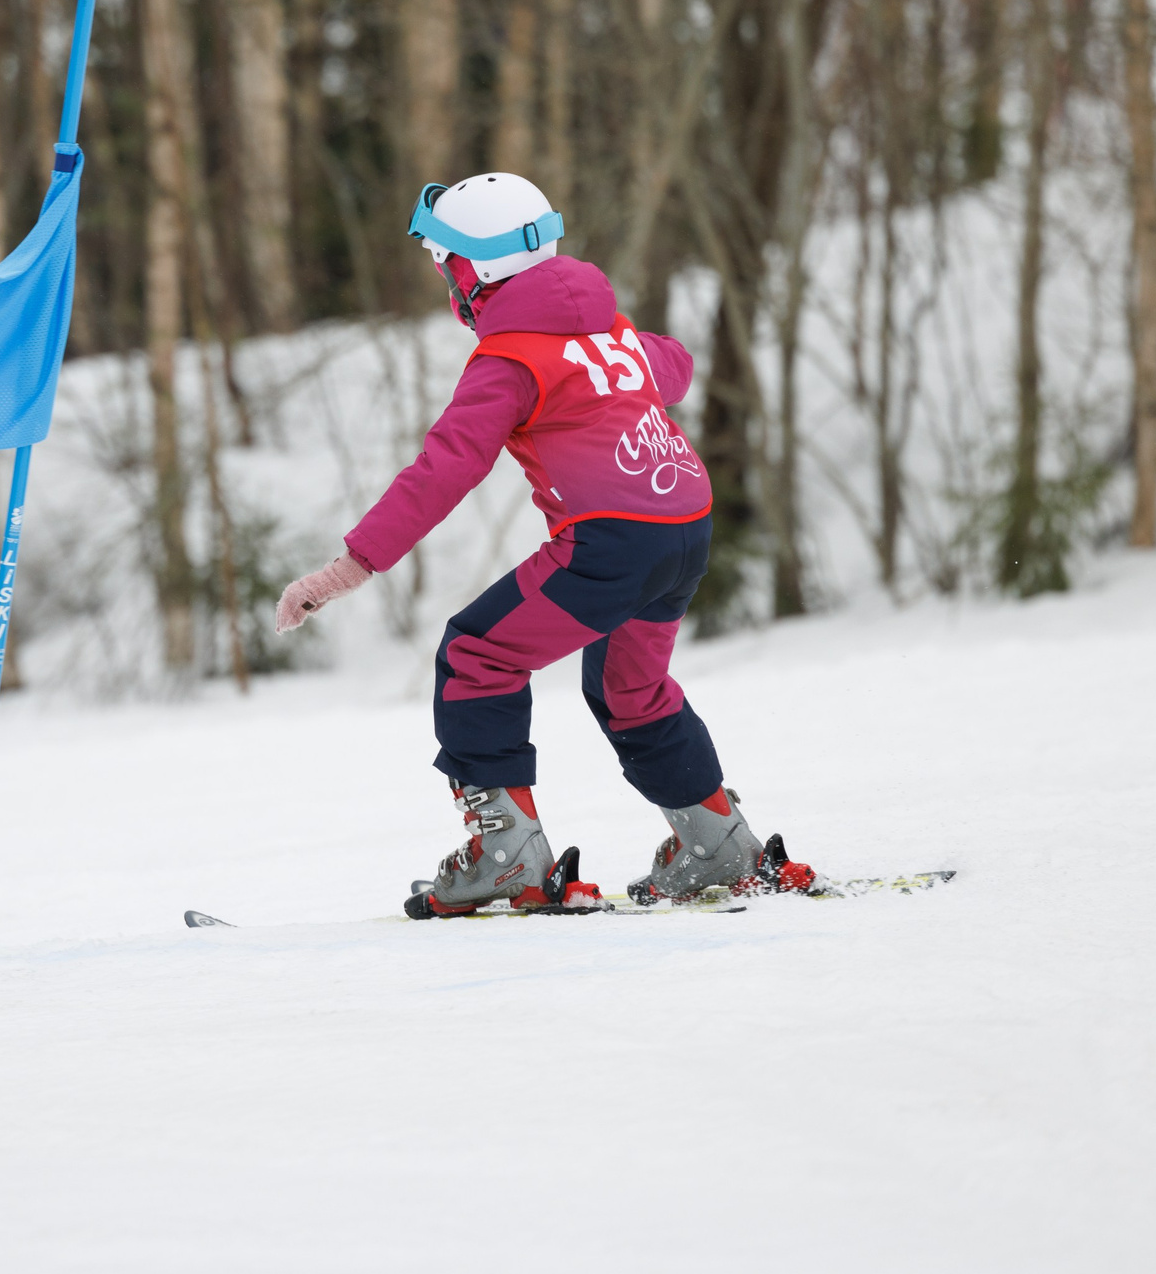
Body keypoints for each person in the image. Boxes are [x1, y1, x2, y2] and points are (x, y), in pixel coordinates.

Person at [272, 174, 816, 916]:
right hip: (685, 528)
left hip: (609, 542)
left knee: (477, 657)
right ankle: (718, 841)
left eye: (445, 268)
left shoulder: (510, 361)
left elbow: (444, 469)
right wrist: (617, 354)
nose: (445, 285)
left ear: (474, 274)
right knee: (633, 692)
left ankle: (508, 858)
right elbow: (677, 365)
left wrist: (345, 570)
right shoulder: (610, 331)